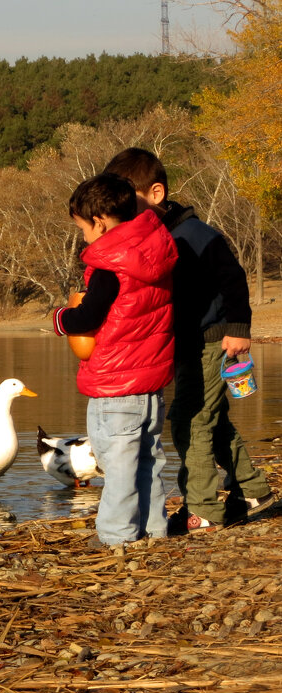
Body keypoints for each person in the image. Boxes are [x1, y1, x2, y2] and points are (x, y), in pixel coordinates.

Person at [104, 148, 276, 532]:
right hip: (185, 346)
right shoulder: (152, 238)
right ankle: (253, 488)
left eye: (129, 200)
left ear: (157, 194)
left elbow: (233, 279)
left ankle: (203, 511)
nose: (123, 209)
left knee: (190, 421)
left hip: (214, 339)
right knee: (211, 420)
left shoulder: (196, 234)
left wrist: (238, 328)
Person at [52, 172, 178, 547]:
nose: (85, 239)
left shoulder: (110, 265)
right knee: (148, 461)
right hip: (151, 385)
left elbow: (89, 317)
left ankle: (115, 535)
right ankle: (154, 528)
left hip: (115, 384)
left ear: (101, 222)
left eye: (84, 230)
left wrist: (62, 319)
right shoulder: (157, 250)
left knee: (118, 465)